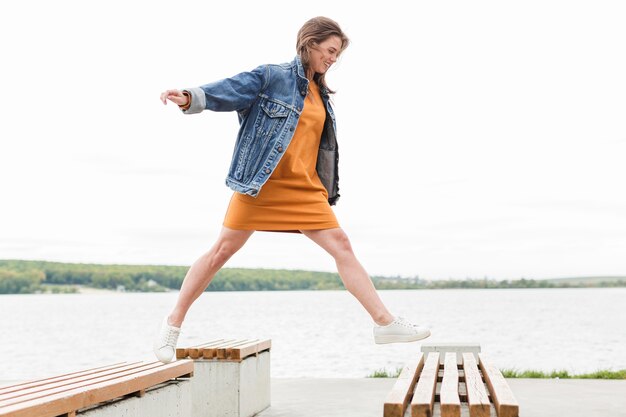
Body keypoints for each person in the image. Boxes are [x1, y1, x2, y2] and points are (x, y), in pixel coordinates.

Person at [154, 16, 430, 363]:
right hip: (260, 184)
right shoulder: (272, 77)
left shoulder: (322, 94)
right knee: (221, 252)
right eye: (330, 51)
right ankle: (171, 326)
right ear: (310, 43)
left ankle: (384, 323)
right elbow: (229, 90)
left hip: (304, 188)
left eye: (337, 54)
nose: (332, 59)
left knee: (342, 245)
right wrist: (190, 97)